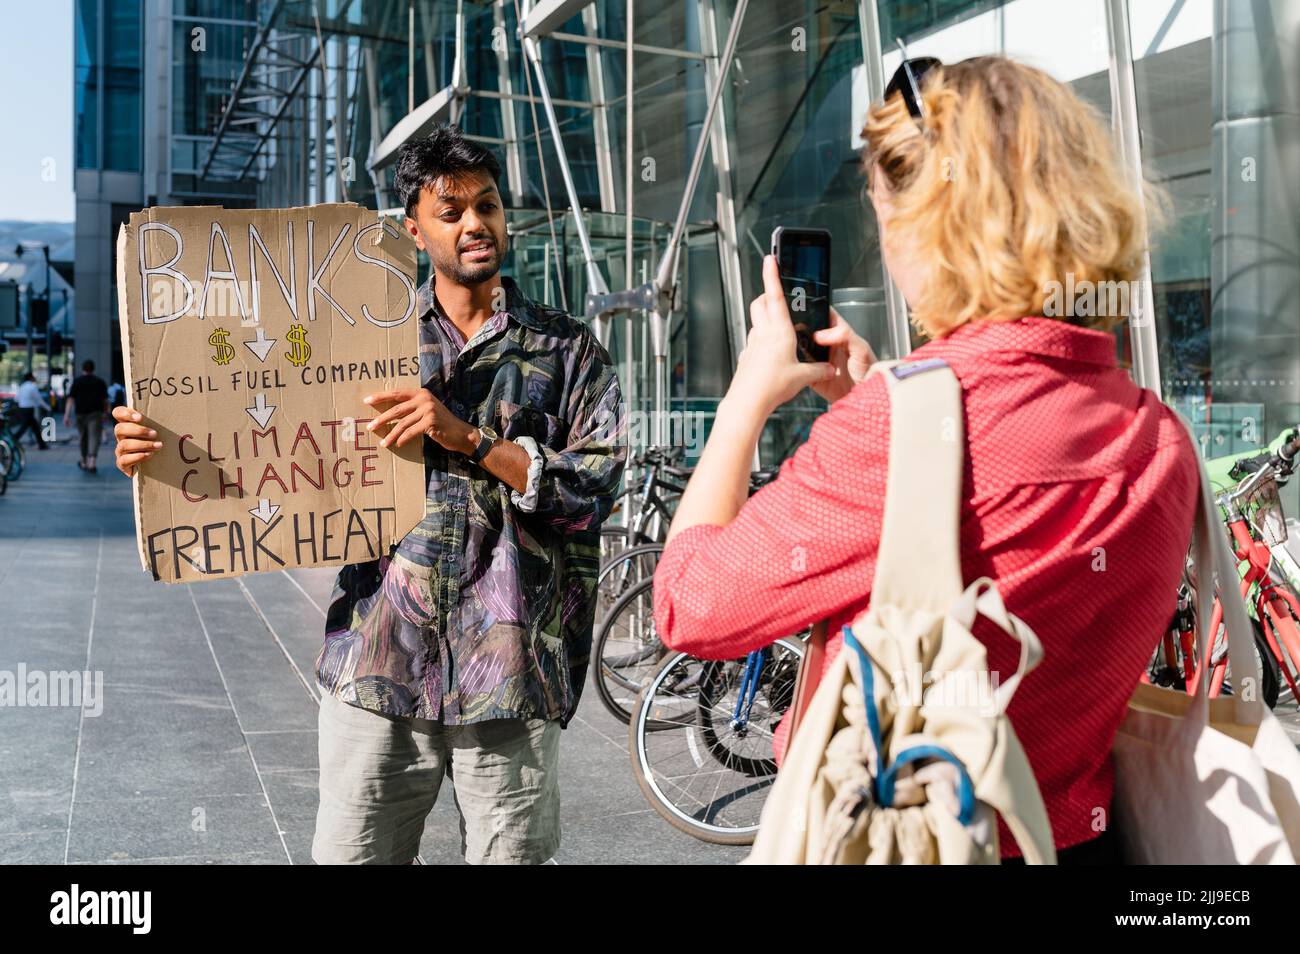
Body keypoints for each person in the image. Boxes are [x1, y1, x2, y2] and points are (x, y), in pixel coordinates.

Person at [652, 55, 1200, 865]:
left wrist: (743, 402)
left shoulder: (891, 428)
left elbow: (691, 607)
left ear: (933, 224)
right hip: (1079, 839)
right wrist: (884, 400)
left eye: (885, 217)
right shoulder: (1159, 437)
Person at [110, 124, 627, 865]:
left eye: (488, 205)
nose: (476, 224)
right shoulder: (356, 337)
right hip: (378, 668)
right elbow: (255, 438)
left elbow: (597, 489)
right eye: (451, 212)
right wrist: (164, 455)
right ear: (415, 231)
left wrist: (472, 440)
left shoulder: (568, 349)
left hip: (512, 677)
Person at [64, 359, 109, 472]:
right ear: (93, 369)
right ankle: (92, 463)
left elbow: (70, 400)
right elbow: (105, 400)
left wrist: (66, 415)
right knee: (94, 437)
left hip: (80, 414)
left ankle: (84, 461)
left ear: (82, 368)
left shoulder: (77, 381)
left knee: (83, 437)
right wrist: (105, 413)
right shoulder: (100, 382)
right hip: (95, 414)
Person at [13, 372, 50, 450]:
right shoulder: (32, 387)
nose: (34, 378)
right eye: (33, 377)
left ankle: (42, 445)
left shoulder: (22, 386)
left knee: (34, 427)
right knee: (25, 427)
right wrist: (47, 407)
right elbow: (39, 399)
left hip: (22, 409)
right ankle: (12, 440)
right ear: (30, 378)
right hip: (29, 409)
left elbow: (16, 399)